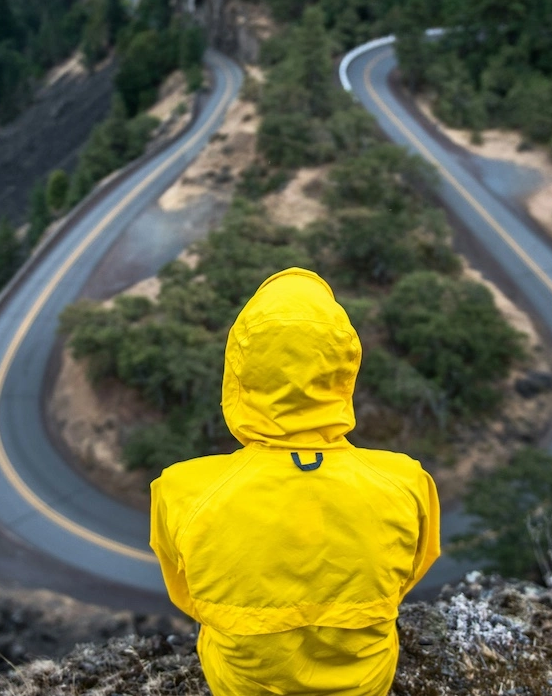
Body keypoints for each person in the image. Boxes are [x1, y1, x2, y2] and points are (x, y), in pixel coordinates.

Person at [150, 267, 441, 695]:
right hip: (365, 684)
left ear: (238, 373)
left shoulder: (181, 491)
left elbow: (189, 596)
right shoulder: (407, 483)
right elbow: (408, 577)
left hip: (241, 685)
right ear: (344, 370)